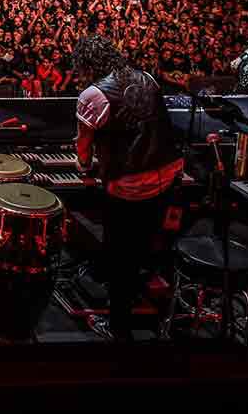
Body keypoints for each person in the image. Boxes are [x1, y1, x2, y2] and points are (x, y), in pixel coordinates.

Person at [72, 33, 183, 341]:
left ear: (87, 65)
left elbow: (84, 149)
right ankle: (139, 295)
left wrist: (84, 168)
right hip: (167, 173)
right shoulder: (148, 78)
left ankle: (119, 328)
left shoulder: (93, 95)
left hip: (130, 183)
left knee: (121, 253)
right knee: (144, 244)